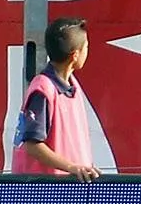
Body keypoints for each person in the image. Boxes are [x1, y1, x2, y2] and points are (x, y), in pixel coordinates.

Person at [8, 16, 103, 179]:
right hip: (42, 192)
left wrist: (84, 166)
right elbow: (32, 144)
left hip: (68, 188)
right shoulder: (43, 89)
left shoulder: (73, 87)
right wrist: (71, 167)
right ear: (75, 55)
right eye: (86, 46)